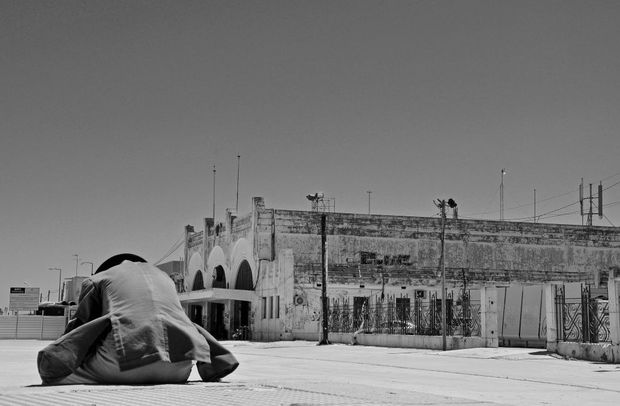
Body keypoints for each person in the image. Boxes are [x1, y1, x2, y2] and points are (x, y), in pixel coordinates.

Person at [37, 253, 238, 385]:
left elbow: (80, 327)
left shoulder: (98, 279)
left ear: (106, 268)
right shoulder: (165, 278)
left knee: (57, 374)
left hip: (123, 368)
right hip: (180, 369)